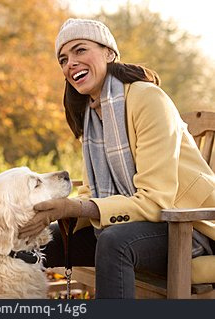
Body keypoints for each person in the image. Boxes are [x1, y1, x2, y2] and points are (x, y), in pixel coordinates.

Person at [18, 18, 215, 298]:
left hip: (182, 228)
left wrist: (74, 207)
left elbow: (155, 200)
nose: (70, 63)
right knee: (26, 244)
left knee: (114, 242)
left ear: (109, 53)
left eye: (80, 50)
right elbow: (90, 191)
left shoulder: (147, 99)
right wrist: (57, 217)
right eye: (63, 59)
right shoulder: (91, 115)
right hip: (129, 224)